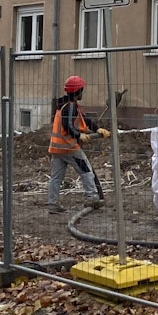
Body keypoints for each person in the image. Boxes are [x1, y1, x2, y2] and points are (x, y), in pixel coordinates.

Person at [47, 75, 110, 214]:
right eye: (82, 90)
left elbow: (84, 118)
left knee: (56, 177)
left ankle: (52, 204)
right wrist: (79, 135)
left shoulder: (65, 105)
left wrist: (97, 129)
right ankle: (92, 197)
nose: (83, 92)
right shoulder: (70, 107)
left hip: (56, 148)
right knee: (86, 170)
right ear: (78, 91)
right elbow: (67, 125)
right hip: (69, 147)